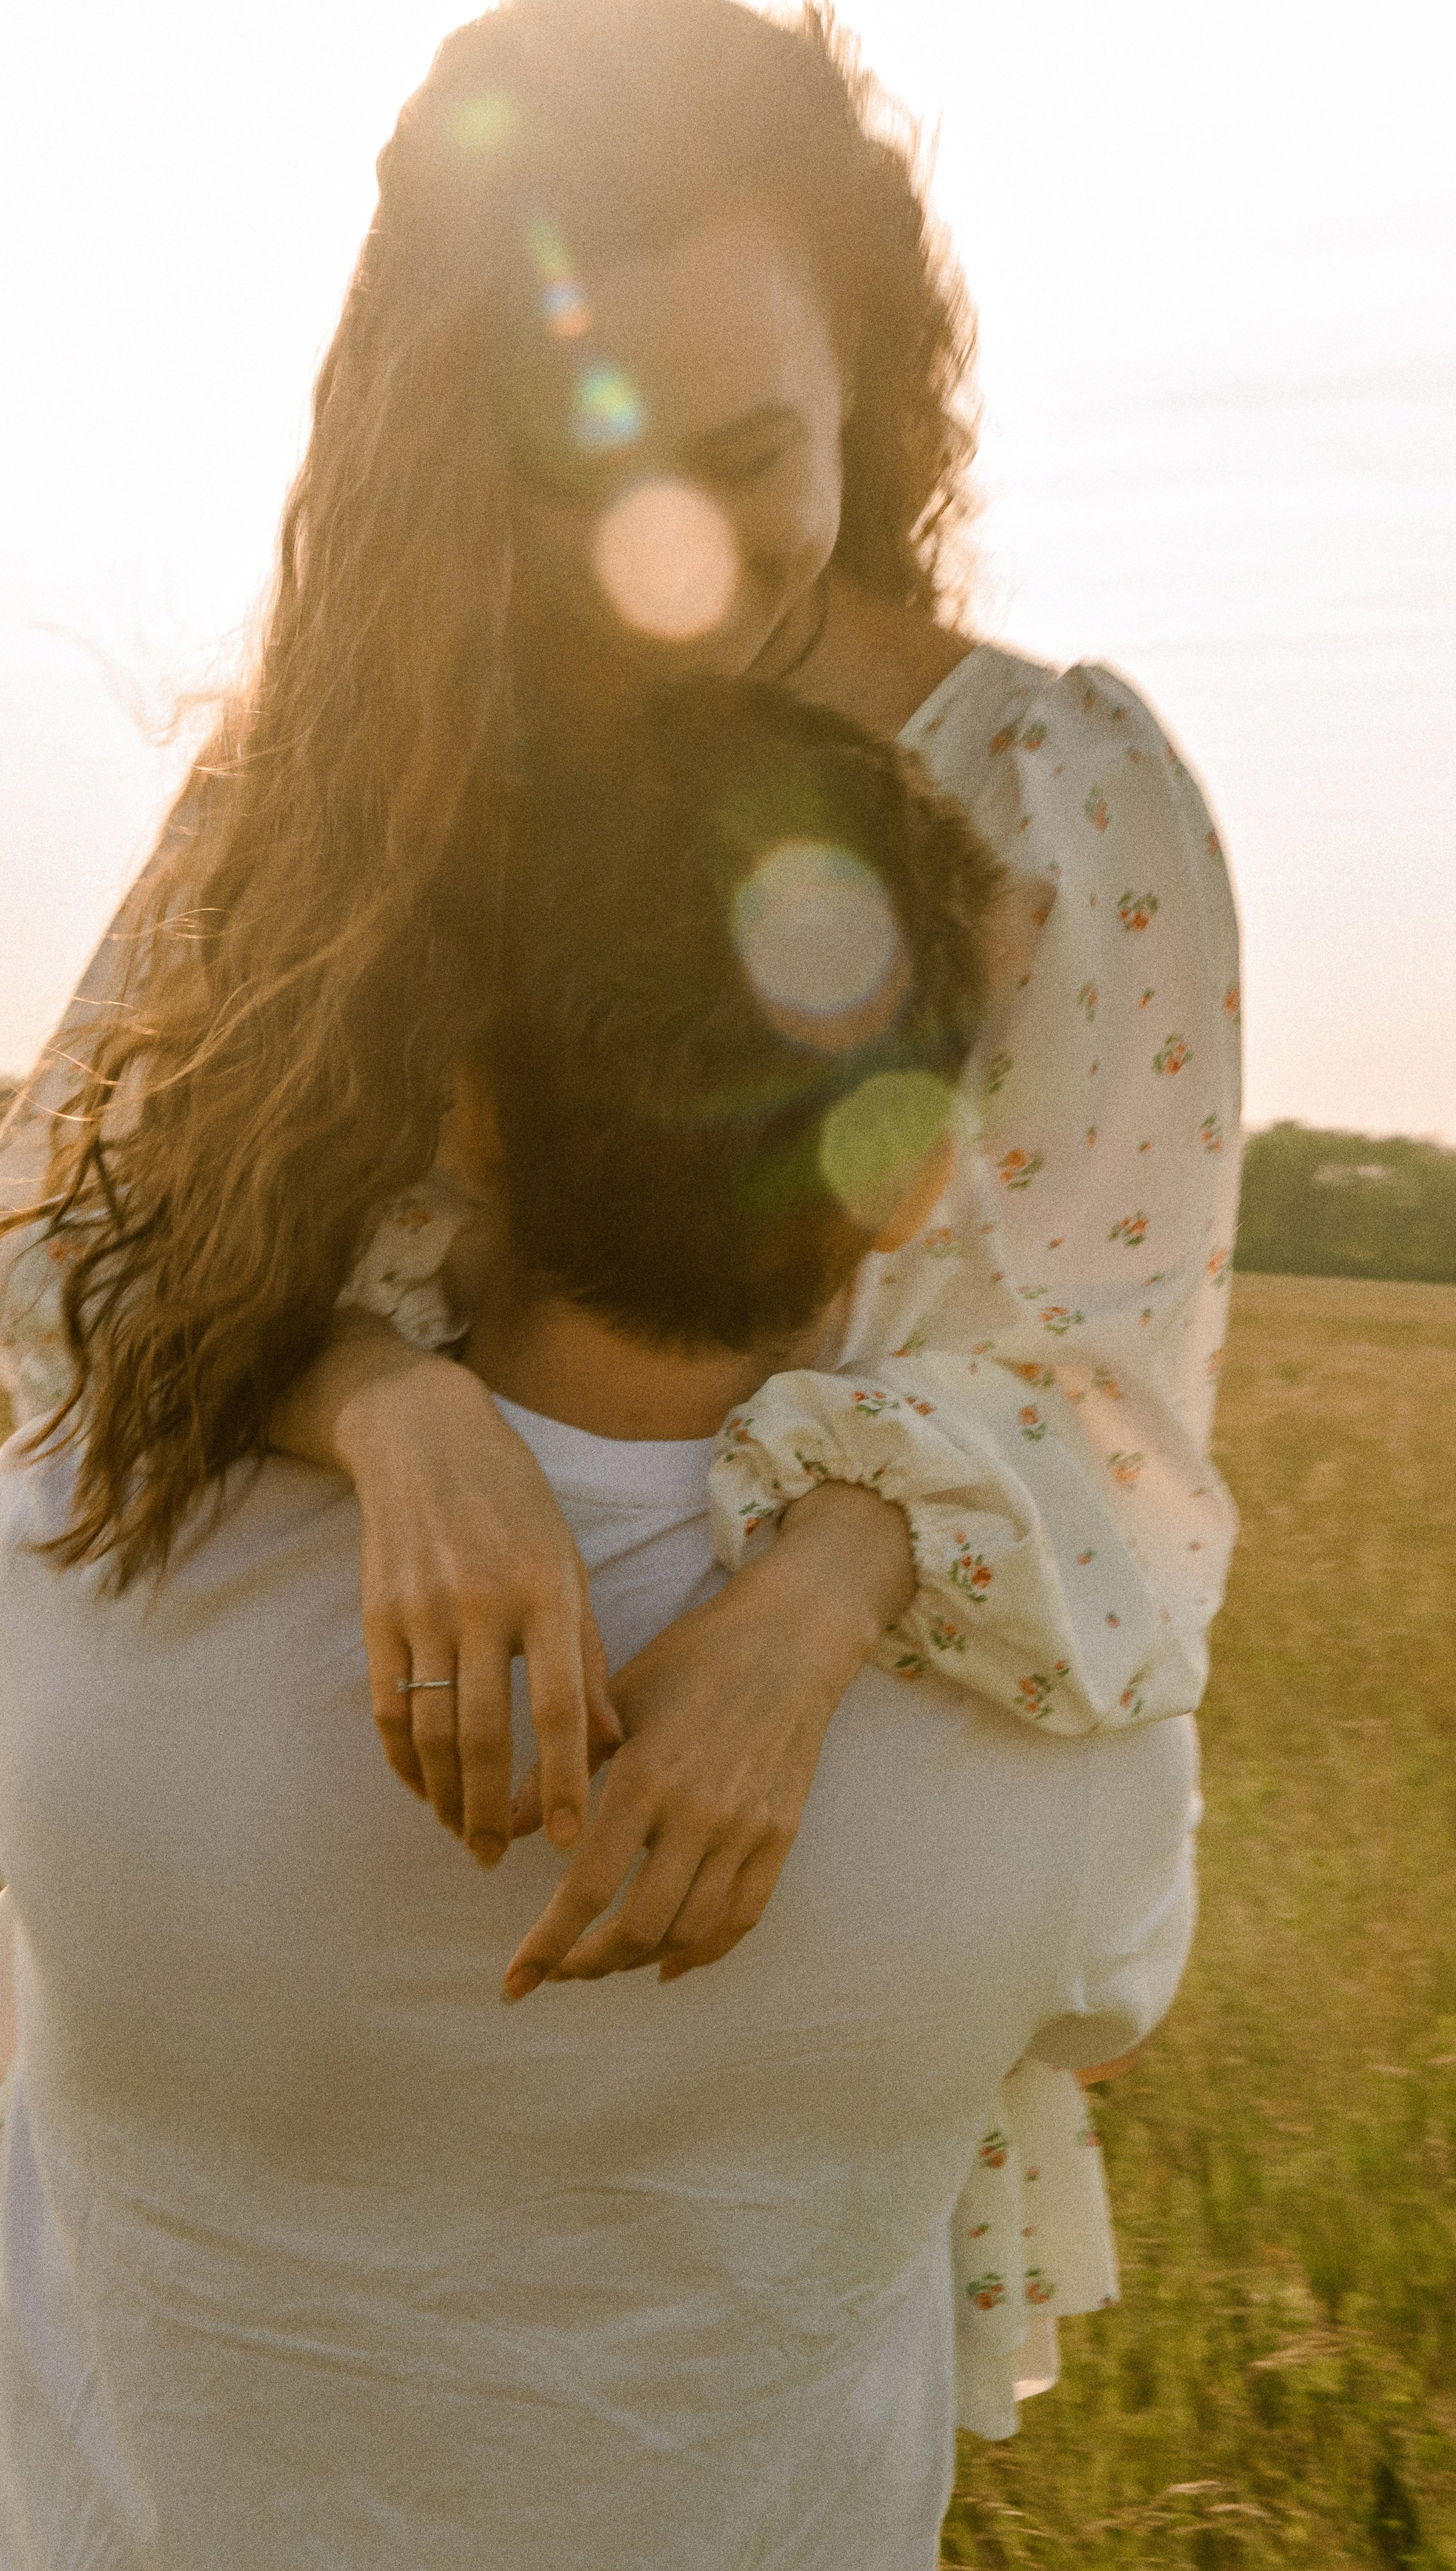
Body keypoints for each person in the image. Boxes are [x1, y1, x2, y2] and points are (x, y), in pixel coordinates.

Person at [0, 0, 1241, 2430]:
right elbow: (51, 1249)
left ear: (870, 371)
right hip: (272, 1878)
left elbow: (1125, 1426)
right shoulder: (334, 783)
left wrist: (812, 1606)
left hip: (793, 1912)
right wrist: (388, 1412)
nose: (675, 550)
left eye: (751, 449)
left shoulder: (1065, 803)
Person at [0, 683, 1200, 2571]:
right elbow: (1113, 2009)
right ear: (910, 1177)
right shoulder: (1060, 1710)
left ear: (458, 1102)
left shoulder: (73, 1546)